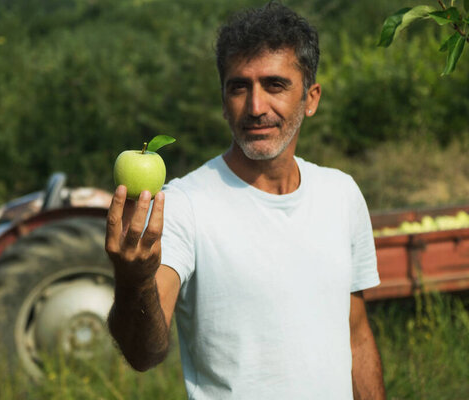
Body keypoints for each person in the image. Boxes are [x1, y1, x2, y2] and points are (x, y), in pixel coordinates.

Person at [105, 2, 386, 399]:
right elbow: (143, 353)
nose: (255, 108)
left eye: (275, 85)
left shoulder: (341, 195)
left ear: (311, 98)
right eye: (239, 87)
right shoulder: (185, 204)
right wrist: (133, 280)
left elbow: (356, 335)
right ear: (223, 101)